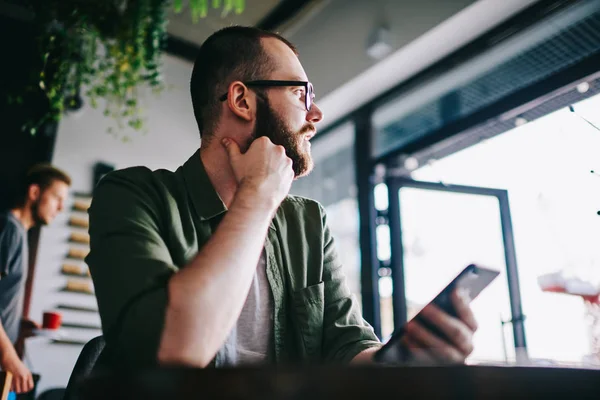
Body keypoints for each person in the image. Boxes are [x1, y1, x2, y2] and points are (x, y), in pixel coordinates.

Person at [86, 26, 478, 369]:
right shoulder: (131, 196)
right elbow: (174, 350)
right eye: (301, 93)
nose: (316, 113)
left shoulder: (308, 221)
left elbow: (346, 348)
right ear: (242, 101)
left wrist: (406, 358)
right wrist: (256, 197)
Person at [0, 164, 70, 393]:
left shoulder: (20, 233)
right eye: (57, 198)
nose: (60, 208)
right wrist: (9, 356)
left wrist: (19, 324)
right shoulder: (8, 230)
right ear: (34, 193)